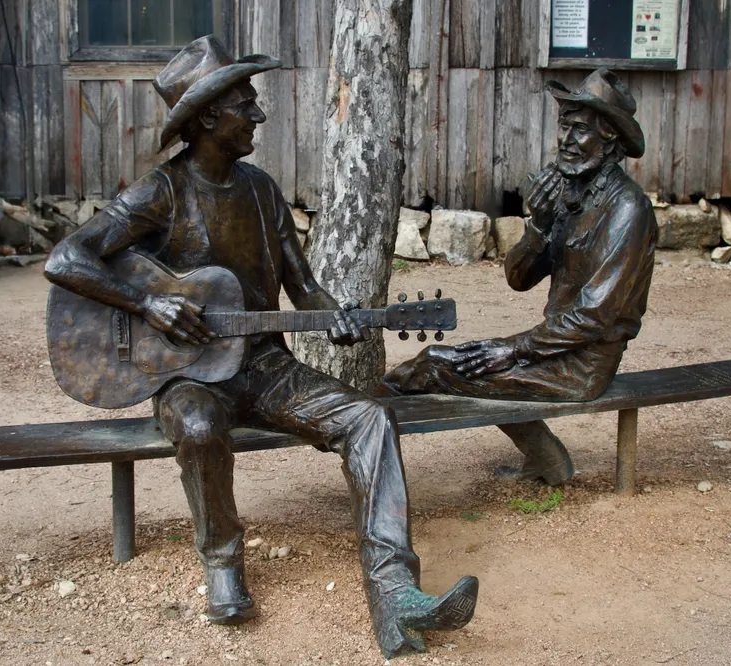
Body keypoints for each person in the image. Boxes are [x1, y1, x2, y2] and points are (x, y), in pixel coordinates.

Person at [44, 35, 477, 658]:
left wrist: (345, 317)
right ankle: (222, 561)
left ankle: (394, 591)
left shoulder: (262, 190)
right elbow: (66, 258)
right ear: (208, 117)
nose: (259, 114)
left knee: (371, 418)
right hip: (185, 376)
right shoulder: (160, 192)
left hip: (268, 367)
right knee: (196, 424)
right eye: (247, 102)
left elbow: (306, 291)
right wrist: (147, 303)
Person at [380, 68, 657, 484]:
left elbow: (594, 317)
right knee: (470, 360)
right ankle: (546, 458)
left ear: (610, 137)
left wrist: (513, 349)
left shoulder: (627, 210)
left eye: (579, 130)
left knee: (437, 364)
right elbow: (519, 278)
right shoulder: (569, 196)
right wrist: (541, 224)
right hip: (552, 348)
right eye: (564, 126)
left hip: (583, 365)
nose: (566, 140)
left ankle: (369, 451)